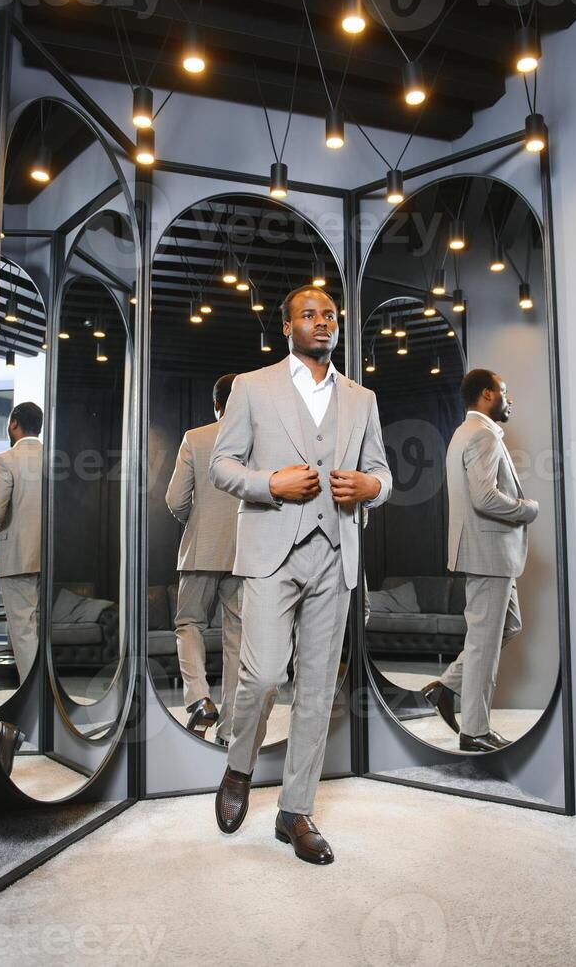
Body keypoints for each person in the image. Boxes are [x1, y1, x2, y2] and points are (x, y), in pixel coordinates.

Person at [209, 285, 391, 864]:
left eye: (329, 316)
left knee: (316, 689)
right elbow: (221, 465)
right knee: (262, 676)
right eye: (309, 315)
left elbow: (382, 473)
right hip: (270, 550)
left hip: (335, 554)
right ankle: (239, 767)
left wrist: (371, 488)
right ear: (288, 326)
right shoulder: (251, 386)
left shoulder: (361, 398)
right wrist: (271, 484)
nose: (322, 323)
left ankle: (295, 810)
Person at [422, 369, 539, 752]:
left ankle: (446, 685)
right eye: (504, 393)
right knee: (483, 644)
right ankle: (474, 731)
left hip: (491, 555)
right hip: (489, 554)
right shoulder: (483, 435)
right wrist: (527, 509)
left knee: (507, 627)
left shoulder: (462, 432)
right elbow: (485, 498)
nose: (509, 401)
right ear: (488, 394)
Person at [165, 374, 242, 746]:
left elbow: (176, 499)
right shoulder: (259, 443)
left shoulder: (195, 438)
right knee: (238, 640)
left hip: (200, 549)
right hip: (245, 553)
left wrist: (195, 521)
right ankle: (229, 731)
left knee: (189, 623)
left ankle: (198, 698)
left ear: (216, 404)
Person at [0, 401, 43, 775]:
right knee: (38, 633)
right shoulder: (53, 460)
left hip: (17, 558)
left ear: (13, 425)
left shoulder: (5, 461)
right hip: (50, 558)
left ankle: (32, 716)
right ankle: (47, 711)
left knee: (23, 635)